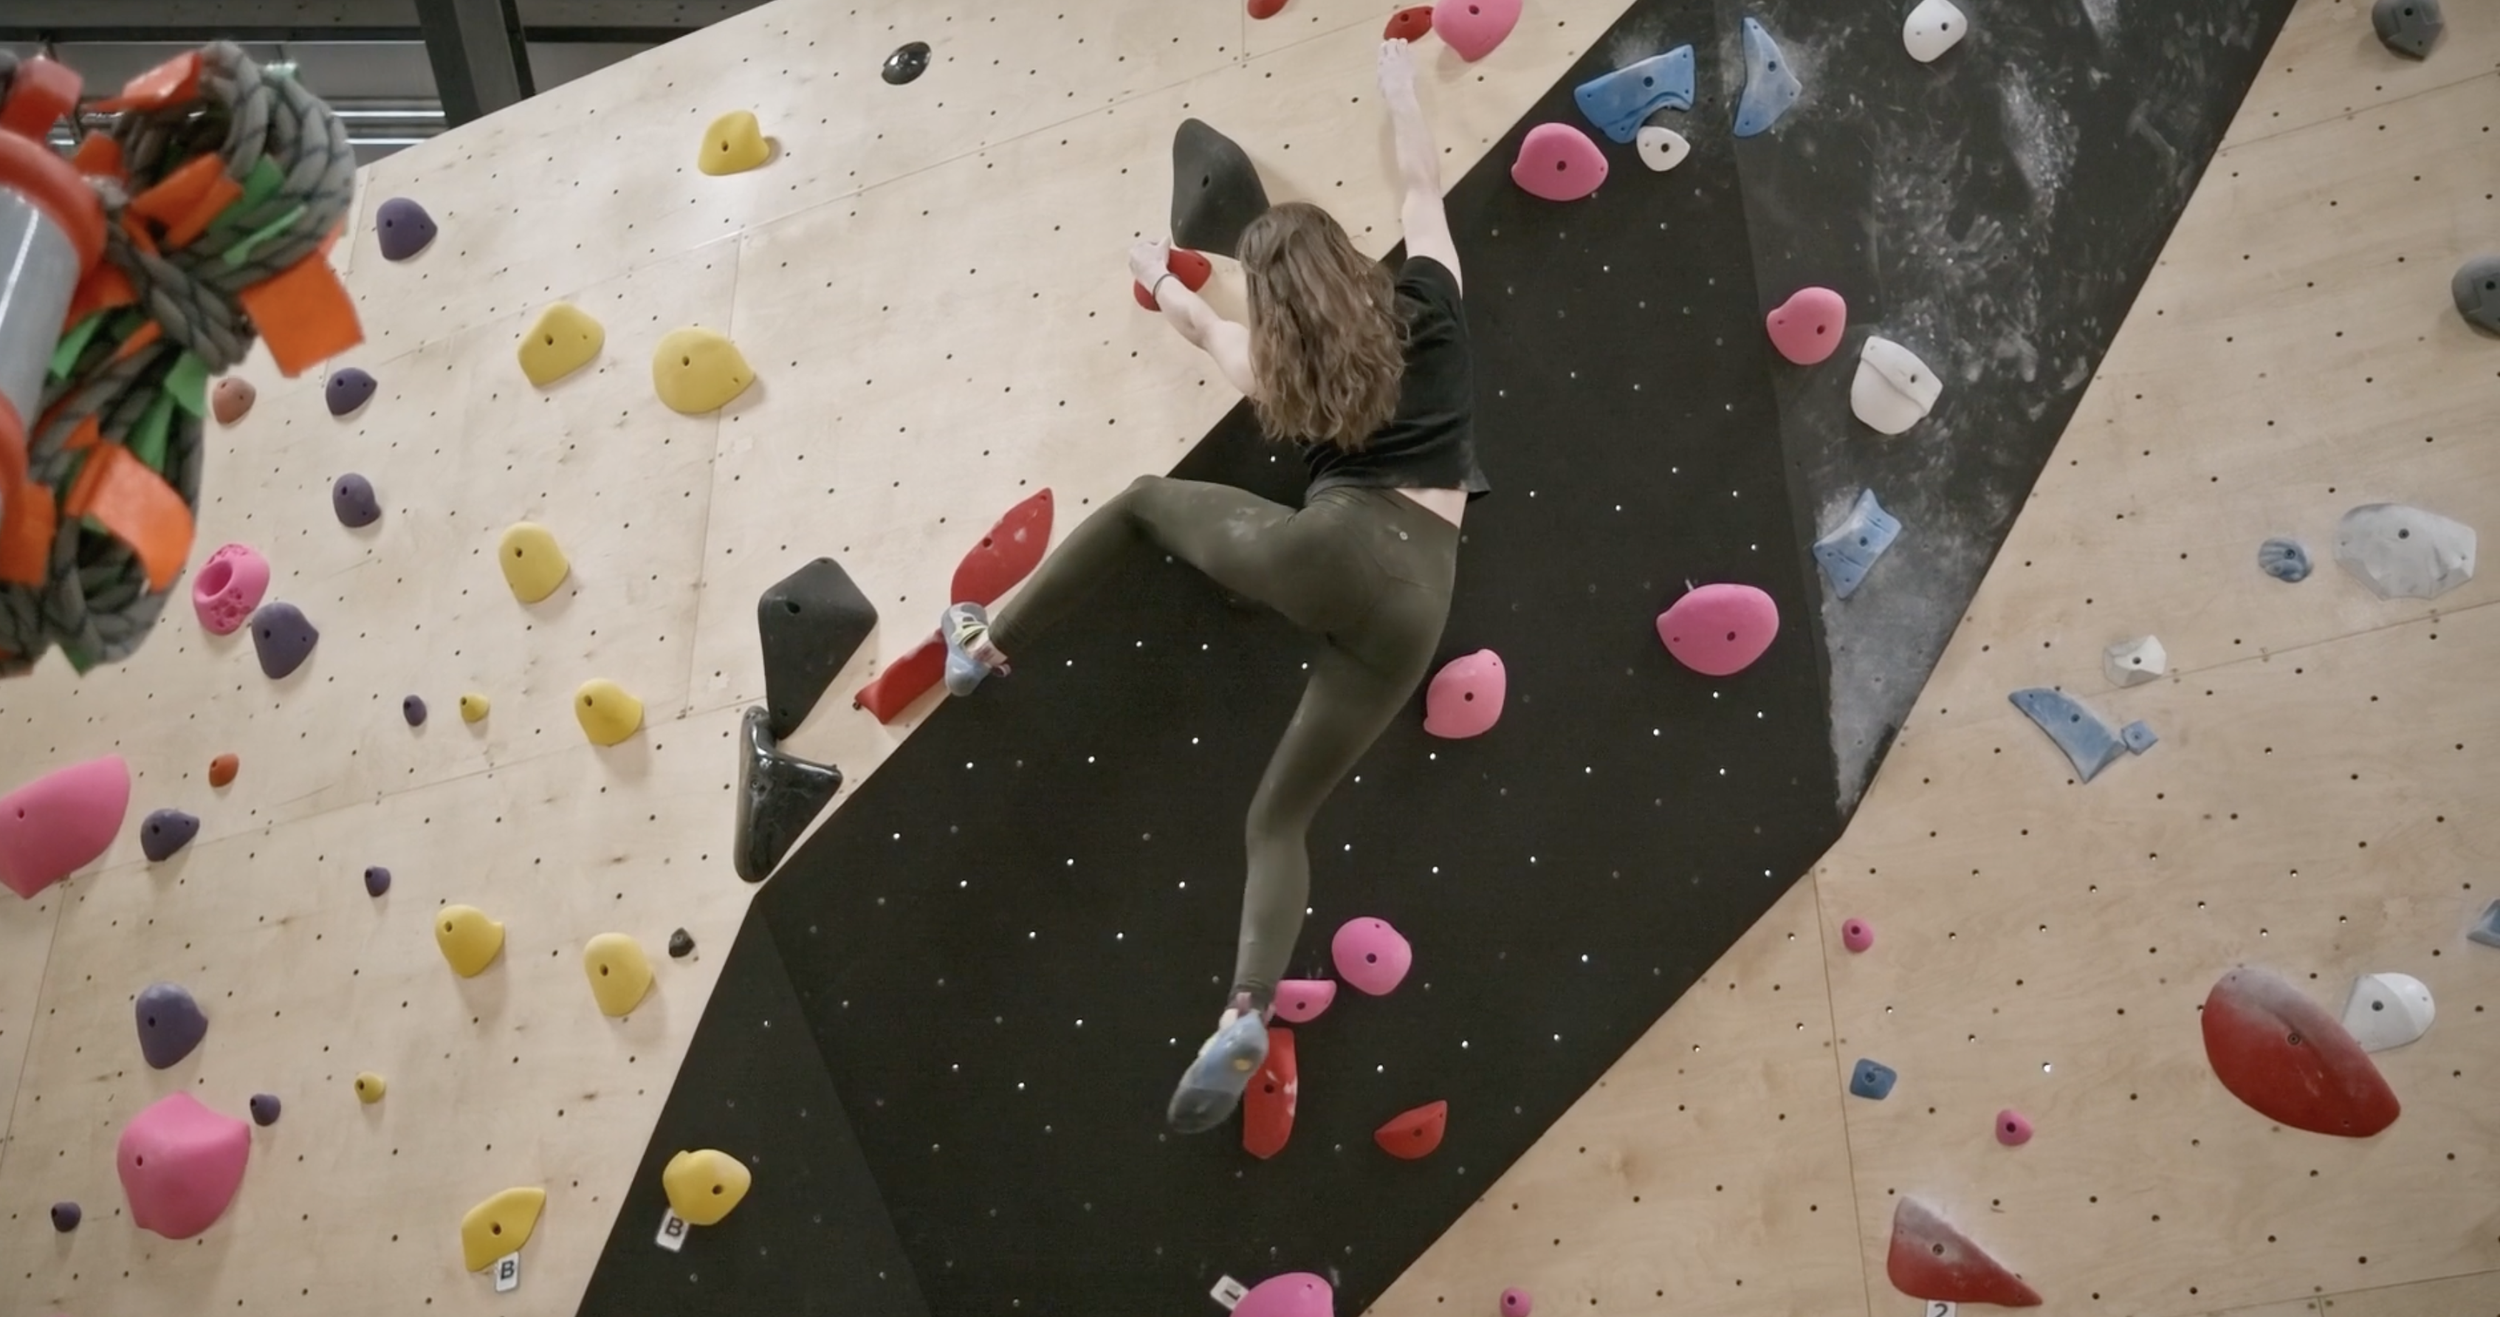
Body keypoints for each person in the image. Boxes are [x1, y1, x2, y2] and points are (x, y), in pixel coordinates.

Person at [939, 38, 1486, 1135]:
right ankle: (1241, 1006)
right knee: (1282, 816)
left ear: (1279, 310)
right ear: (1346, 260)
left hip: (1325, 552)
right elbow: (1421, 185)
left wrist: (1153, 274)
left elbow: (1202, 327)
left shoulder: (1278, 368)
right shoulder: (1431, 300)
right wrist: (1394, 88)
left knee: (1146, 500)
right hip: (1423, 597)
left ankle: (982, 645)